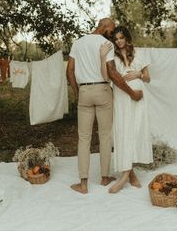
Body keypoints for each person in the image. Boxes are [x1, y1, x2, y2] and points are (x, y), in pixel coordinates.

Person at [66, 18, 143, 194]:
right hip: (102, 90)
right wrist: (131, 93)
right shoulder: (105, 44)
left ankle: (83, 184)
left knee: (84, 138)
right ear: (104, 27)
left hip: (84, 91)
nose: (113, 33)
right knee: (105, 136)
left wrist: (78, 92)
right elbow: (112, 72)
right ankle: (105, 177)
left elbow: (69, 71)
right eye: (112, 29)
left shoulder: (78, 43)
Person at [100, 26, 153, 193]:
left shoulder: (138, 53)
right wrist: (102, 57)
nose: (119, 41)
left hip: (138, 97)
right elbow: (105, 76)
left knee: (135, 132)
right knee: (124, 132)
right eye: (116, 39)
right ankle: (128, 176)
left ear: (127, 38)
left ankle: (126, 176)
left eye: (121, 38)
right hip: (122, 96)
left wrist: (138, 74)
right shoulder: (112, 56)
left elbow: (148, 78)